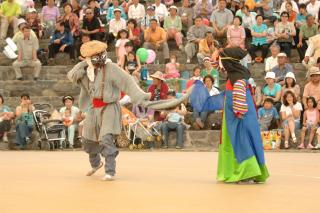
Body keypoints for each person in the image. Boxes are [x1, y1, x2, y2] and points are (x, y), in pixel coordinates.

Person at [67, 41, 186, 180]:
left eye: (100, 54)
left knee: (106, 138)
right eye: (95, 56)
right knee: (87, 139)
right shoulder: (87, 70)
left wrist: (144, 97)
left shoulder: (112, 68)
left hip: (109, 107)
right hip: (94, 109)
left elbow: (128, 82)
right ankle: (96, 163)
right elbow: (71, 75)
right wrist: (84, 64)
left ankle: (110, 171)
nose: (99, 57)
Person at [217, 47, 269, 183]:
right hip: (244, 113)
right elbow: (220, 66)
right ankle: (253, 171)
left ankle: (244, 172)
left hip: (237, 116)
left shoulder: (237, 77)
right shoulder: (238, 71)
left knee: (240, 141)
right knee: (248, 139)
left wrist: (238, 112)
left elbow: (239, 96)